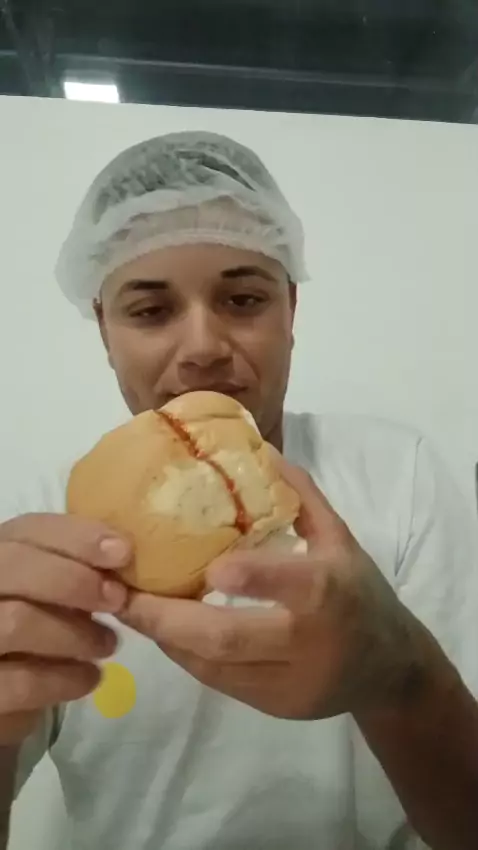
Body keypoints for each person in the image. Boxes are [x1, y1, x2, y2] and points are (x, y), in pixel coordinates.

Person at [0, 131, 477, 850]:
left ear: (291, 311)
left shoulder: (396, 479)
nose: (202, 348)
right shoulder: (43, 524)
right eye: (151, 311)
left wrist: (398, 674)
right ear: (104, 329)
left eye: (244, 299)